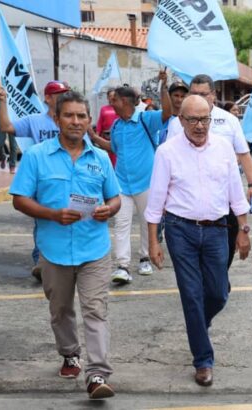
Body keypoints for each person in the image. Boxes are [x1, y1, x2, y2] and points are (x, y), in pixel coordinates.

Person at [9, 91, 121, 399]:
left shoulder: (99, 158)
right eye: (69, 115)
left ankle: (97, 373)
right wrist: (53, 214)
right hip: (54, 249)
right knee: (60, 310)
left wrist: (108, 210)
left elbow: (115, 197)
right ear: (56, 119)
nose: (76, 121)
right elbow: (19, 199)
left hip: (94, 249)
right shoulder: (36, 156)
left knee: (95, 310)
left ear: (89, 120)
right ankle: (70, 353)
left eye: (81, 116)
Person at [146, 95, 250, 388]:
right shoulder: (167, 152)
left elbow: (235, 192)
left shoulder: (223, 148)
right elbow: (155, 203)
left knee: (218, 293)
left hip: (218, 229)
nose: (200, 125)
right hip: (181, 231)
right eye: (192, 119)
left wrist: (243, 230)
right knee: (191, 294)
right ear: (181, 121)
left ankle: (197, 325)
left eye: (204, 119)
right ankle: (203, 360)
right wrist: (154, 242)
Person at [163, 74, 252, 270]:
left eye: (203, 94)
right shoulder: (177, 123)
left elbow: (244, 154)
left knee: (226, 245)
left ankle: (218, 279)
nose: (198, 97)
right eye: (194, 93)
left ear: (213, 95)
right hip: (189, 198)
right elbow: (167, 161)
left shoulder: (229, 120)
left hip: (224, 196)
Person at [89, 75, 171, 284]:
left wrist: (164, 86)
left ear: (124, 101)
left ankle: (145, 258)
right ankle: (123, 266)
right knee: (121, 223)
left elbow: (169, 113)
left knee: (147, 222)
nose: (111, 102)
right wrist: (92, 135)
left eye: (114, 99)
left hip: (146, 183)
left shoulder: (146, 118)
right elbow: (112, 148)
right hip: (121, 185)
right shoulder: (116, 125)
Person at [0, 80, 73, 282]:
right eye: (59, 93)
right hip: (44, 180)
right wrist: (2, 101)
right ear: (47, 98)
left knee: (68, 218)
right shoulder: (34, 120)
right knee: (44, 219)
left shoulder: (71, 121)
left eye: (66, 93)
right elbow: (6, 126)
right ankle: (41, 261)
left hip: (68, 178)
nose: (64, 97)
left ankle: (62, 259)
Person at [96, 89, 119, 166]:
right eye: (110, 96)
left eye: (113, 96)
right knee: (105, 157)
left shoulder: (119, 108)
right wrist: (97, 135)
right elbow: (100, 122)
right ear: (107, 97)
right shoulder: (104, 109)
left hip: (116, 136)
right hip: (105, 136)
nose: (112, 97)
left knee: (115, 157)